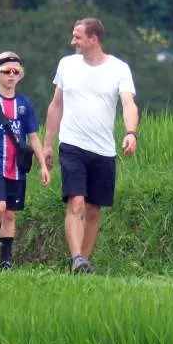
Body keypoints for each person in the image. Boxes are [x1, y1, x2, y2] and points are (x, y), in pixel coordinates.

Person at [42, 17, 139, 274]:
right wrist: (47, 144)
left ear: (93, 39)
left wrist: (131, 133)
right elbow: (56, 105)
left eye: (78, 37)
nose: (72, 41)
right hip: (72, 144)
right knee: (76, 201)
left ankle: (82, 264)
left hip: (104, 149)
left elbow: (128, 103)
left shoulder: (119, 68)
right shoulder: (67, 65)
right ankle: (76, 258)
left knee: (94, 209)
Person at [0, 52, 51, 271]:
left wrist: (43, 165)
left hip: (16, 168)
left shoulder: (24, 104)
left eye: (16, 71)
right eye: (7, 71)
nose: (12, 76)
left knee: (10, 214)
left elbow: (33, 136)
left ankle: (6, 260)